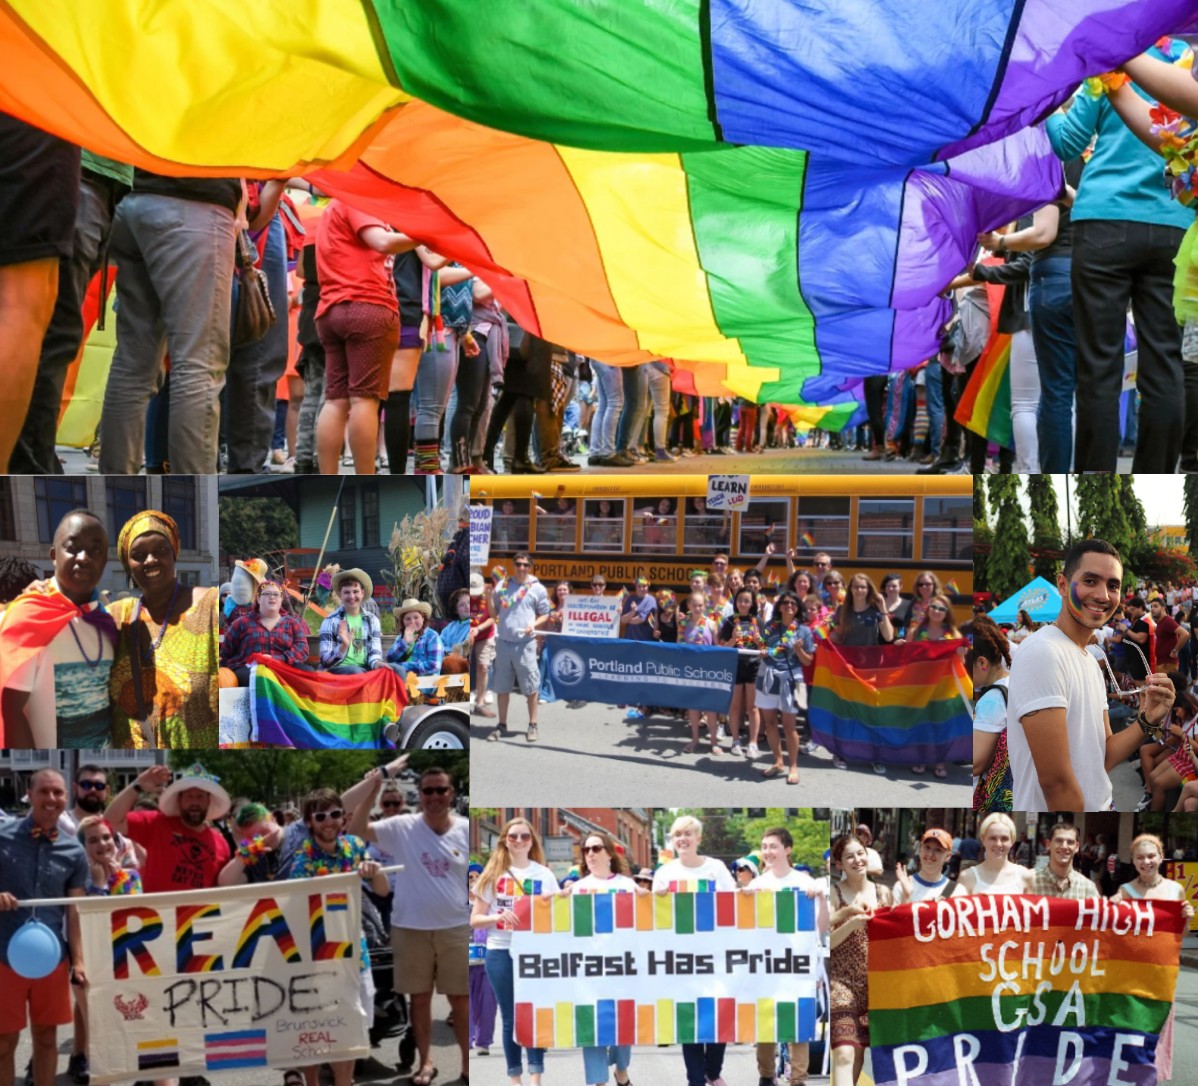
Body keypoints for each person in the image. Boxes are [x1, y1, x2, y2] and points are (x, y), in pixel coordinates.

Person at [1007, 539, 1174, 810]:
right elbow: (1056, 783)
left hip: (1104, 804)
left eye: (1113, 585)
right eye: (1090, 580)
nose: (1103, 595)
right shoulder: (1043, 652)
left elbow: (1103, 754)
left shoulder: (1090, 660)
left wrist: (1147, 720)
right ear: (1062, 585)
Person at [349, 764, 469, 1086]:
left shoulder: (467, 829)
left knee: (460, 1001)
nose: (434, 796)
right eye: (427, 791)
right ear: (419, 796)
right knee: (419, 999)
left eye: (440, 790)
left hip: (455, 927)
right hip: (410, 927)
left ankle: (468, 1068)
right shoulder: (402, 826)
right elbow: (357, 830)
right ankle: (425, 1063)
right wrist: (371, 793)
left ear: (451, 794)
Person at [289, 788, 389, 1086]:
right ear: (310, 822)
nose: (329, 821)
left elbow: (383, 890)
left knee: (351, 1028)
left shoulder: (356, 846)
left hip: (354, 952)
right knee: (314, 1028)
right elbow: (294, 907)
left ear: (343, 818)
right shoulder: (302, 859)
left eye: (335, 814)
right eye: (321, 816)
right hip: (316, 954)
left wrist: (375, 871)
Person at [313, 198, 418, 474]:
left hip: (331, 309)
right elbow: (381, 242)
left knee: (336, 400)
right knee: (364, 400)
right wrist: (423, 234)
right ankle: (364, 476)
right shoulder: (356, 200)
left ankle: (327, 475)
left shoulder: (331, 209)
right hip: (367, 306)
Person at [0, 769, 89, 1086]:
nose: (52, 799)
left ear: (67, 797)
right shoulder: (2, 838)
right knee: (3, 1042)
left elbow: (74, 911)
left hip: (51, 959)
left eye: (58, 793)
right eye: (45, 792)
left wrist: (78, 960)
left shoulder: (74, 851)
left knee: (47, 1037)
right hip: (4, 957)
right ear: (30, 793)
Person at [0, 510, 116, 748]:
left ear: (105, 560)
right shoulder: (27, 616)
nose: (84, 557)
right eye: (73, 547)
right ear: (53, 555)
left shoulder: (105, 618)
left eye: (96, 551)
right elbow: (10, 711)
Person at [108, 511, 219, 748]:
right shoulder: (117, 617)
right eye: (138, 555)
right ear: (128, 565)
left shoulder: (210, 607)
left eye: (160, 550)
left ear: (174, 553)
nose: (150, 560)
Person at [472, 818, 560, 1086]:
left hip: (533, 952)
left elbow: (559, 916)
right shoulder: (492, 875)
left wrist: (552, 906)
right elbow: (475, 919)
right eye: (513, 837)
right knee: (510, 1016)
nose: (519, 841)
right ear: (504, 841)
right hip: (500, 951)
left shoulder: (543, 875)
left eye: (524, 837)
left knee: (531, 1012)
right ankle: (515, 1078)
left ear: (532, 841)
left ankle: (536, 1077)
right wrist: (497, 917)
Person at [652, 816, 736, 1086]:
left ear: (698, 838)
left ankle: (713, 1070)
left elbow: (733, 907)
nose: (682, 839)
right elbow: (654, 918)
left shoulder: (716, 868)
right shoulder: (665, 873)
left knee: (717, 1014)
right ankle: (695, 1079)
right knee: (689, 1020)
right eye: (678, 834)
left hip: (715, 955)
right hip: (681, 959)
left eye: (688, 833)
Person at [745, 828, 828, 1086]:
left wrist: (823, 899)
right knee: (766, 1024)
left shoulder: (806, 884)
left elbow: (822, 928)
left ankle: (798, 1079)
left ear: (788, 849)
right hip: (766, 966)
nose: (768, 852)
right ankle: (767, 1075)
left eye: (773, 846)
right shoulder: (756, 885)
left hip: (798, 966)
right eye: (765, 847)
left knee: (798, 1025)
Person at [1114, 833, 1195, 1082]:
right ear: (1133, 860)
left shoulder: (1175, 890)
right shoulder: (1125, 892)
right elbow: (1113, 932)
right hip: (1131, 975)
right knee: (1132, 1029)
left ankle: (1153, 1076)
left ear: (1161, 857)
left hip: (1161, 974)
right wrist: (1111, 909)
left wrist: (1188, 918)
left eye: (1151, 856)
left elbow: (1179, 935)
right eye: (1140, 857)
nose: (1146, 861)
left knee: (1157, 1031)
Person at [565, 832, 642, 1086]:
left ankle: (621, 1068)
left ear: (609, 853)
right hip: (588, 970)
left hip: (623, 969)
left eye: (596, 848)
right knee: (592, 1028)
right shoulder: (576, 888)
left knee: (623, 1025)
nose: (590, 854)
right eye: (586, 849)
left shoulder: (628, 886)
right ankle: (599, 1081)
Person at [104, 763, 231, 895]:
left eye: (200, 796)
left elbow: (222, 891)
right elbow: (109, 821)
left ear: (208, 801)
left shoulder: (222, 844)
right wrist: (138, 785)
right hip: (155, 914)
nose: (194, 802)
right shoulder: (156, 824)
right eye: (189, 796)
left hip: (198, 915)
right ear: (179, 800)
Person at [829, 833, 890, 1086]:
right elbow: (825, 941)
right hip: (841, 983)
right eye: (849, 856)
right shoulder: (833, 894)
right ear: (840, 864)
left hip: (877, 985)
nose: (857, 860)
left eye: (860, 853)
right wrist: (850, 923)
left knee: (859, 1057)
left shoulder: (884, 892)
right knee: (844, 1052)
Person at [487, 554, 552, 742]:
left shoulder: (537, 588)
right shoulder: (503, 586)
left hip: (526, 645)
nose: (521, 568)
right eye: (518, 564)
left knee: (531, 687)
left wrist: (534, 625)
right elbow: (494, 614)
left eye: (525, 565)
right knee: (502, 687)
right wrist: (491, 597)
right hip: (504, 643)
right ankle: (502, 725)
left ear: (530, 567)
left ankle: (533, 725)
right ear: (514, 566)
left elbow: (545, 614)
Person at [756, 591, 814, 784]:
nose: (789, 605)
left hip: (794, 680)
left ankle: (793, 766)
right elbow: (763, 653)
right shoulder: (769, 627)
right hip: (767, 676)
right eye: (785, 603)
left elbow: (807, 662)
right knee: (770, 723)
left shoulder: (804, 631)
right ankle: (778, 761)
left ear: (798, 609)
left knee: (790, 727)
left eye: (793, 603)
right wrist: (760, 649)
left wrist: (798, 649)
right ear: (779, 607)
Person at [220, 579, 311, 684]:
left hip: (284, 666)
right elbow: (226, 652)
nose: (272, 596)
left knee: (308, 674)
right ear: (258, 598)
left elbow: (302, 649)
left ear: (281, 599)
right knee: (263, 677)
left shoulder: (292, 623)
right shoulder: (241, 623)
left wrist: (277, 659)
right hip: (250, 671)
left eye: (276, 594)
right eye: (267, 593)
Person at [968, 616, 1012, 814]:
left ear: (982, 663)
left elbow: (977, 763)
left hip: (998, 793)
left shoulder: (992, 699)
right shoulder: (1015, 681)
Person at [719, 587, 764, 757]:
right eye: (740, 600)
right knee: (735, 705)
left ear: (752, 603)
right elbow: (722, 648)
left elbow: (765, 649)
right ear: (735, 602)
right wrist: (732, 639)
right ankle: (736, 741)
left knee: (753, 707)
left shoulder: (758, 621)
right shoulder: (730, 621)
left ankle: (753, 743)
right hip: (735, 665)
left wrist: (759, 640)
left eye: (746, 601)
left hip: (753, 666)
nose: (743, 604)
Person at [319, 568, 385, 673]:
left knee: (396, 670)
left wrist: (377, 663)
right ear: (340, 595)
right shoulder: (330, 621)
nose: (352, 596)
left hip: (365, 668)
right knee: (356, 671)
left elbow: (374, 652)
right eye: (346, 592)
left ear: (362, 593)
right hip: (337, 670)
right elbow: (325, 661)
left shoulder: (372, 620)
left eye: (355, 591)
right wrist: (343, 646)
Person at [951, 813, 1027, 897]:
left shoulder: (1025, 877)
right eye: (993, 838)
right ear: (983, 839)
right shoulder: (967, 878)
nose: (998, 844)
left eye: (1004, 839)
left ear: (1012, 841)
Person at [1026, 823, 1100, 899]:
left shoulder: (1087, 888)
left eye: (1070, 842)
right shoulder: (1028, 881)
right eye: (1059, 841)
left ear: (1077, 847)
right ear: (1048, 844)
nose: (1064, 846)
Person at [468, 863, 497, 1057]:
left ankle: (483, 1041)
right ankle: (467, 1038)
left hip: (488, 960)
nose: (473, 880)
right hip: (465, 961)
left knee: (487, 1002)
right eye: (470, 877)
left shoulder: (490, 903)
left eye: (477, 876)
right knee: (467, 1002)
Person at [828, 573, 894, 646]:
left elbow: (889, 637)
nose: (859, 590)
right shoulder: (842, 610)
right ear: (850, 589)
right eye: (856, 587)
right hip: (847, 655)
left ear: (868, 589)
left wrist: (883, 609)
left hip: (870, 655)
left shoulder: (875, 610)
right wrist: (832, 634)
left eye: (863, 587)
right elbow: (836, 636)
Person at [386, 599, 444, 680]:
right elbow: (390, 658)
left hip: (424, 684)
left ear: (423, 618)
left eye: (416, 617)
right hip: (402, 682)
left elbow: (435, 665)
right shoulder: (401, 638)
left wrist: (403, 667)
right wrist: (404, 642)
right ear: (402, 621)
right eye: (407, 619)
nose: (412, 622)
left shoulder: (432, 637)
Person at [892, 828, 952, 904]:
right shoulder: (901, 887)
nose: (930, 854)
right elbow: (896, 915)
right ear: (920, 849)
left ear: (948, 856)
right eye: (927, 847)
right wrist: (906, 896)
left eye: (938, 850)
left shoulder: (957, 891)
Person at [470, 572, 497, 719]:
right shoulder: (462, 595)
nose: (474, 596)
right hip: (466, 633)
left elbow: (493, 617)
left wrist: (478, 628)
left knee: (483, 666)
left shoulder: (488, 594)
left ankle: (480, 704)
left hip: (485, 634)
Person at [1151, 597, 1188, 673]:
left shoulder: (1167, 621)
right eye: (1151, 607)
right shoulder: (1161, 621)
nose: (1152, 609)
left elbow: (1185, 634)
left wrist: (1175, 651)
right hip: (1162, 663)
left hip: (1167, 664)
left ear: (1163, 608)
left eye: (1155, 606)